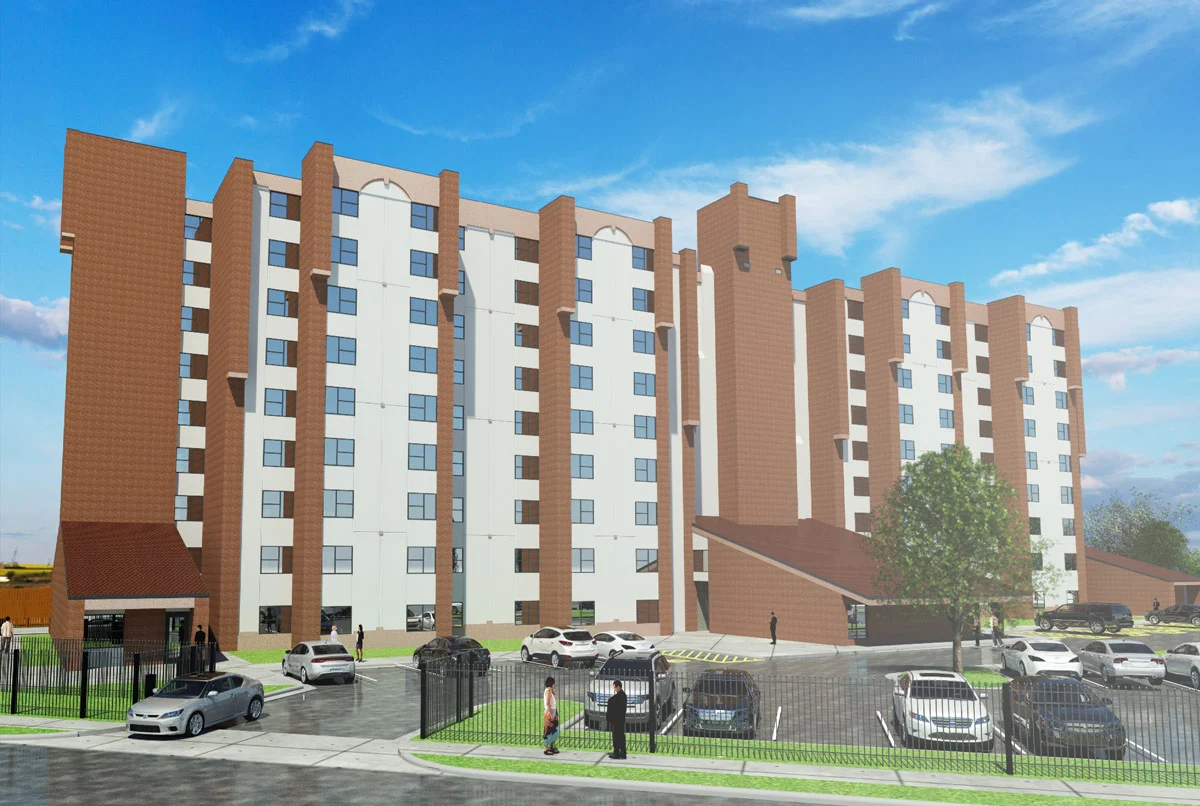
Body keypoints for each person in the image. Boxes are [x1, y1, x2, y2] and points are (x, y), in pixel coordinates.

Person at [606, 679, 627, 759]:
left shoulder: (620, 696)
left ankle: (617, 752)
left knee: (616, 736)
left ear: (618, 687)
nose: (614, 689)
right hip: (620, 719)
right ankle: (622, 752)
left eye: (614, 687)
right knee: (620, 736)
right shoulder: (622, 695)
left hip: (617, 720)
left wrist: (609, 700)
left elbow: (614, 703)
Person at [543, 677, 560, 756]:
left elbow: (553, 702)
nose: (554, 685)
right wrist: (550, 713)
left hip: (553, 711)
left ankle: (552, 746)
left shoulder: (551, 691)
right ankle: (547, 748)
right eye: (554, 683)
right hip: (549, 712)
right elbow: (547, 703)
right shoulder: (548, 691)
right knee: (549, 730)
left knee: (554, 729)